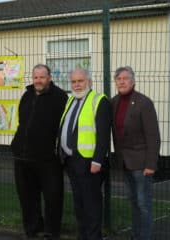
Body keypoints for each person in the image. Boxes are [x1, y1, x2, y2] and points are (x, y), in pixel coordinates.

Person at [11, 64, 68, 240]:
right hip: (22, 155)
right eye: (36, 77)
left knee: (53, 197)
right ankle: (32, 228)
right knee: (27, 197)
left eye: (42, 77)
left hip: (47, 158)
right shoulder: (27, 95)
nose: (38, 81)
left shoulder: (60, 97)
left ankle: (51, 232)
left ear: (49, 78)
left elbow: (64, 126)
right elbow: (22, 120)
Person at [58, 68, 111, 240]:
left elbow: (103, 135)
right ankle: (83, 236)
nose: (77, 85)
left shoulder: (99, 101)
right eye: (73, 82)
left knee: (91, 205)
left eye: (80, 81)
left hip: (90, 163)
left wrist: (98, 161)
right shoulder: (71, 100)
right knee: (79, 204)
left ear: (89, 81)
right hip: (72, 161)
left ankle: (94, 237)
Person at [111, 66, 160, 240]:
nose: (122, 81)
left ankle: (144, 237)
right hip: (124, 162)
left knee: (143, 204)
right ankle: (135, 235)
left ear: (133, 81)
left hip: (141, 164)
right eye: (118, 79)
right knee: (133, 202)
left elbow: (153, 135)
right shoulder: (113, 102)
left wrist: (150, 164)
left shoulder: (144, 103)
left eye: (125, 78)